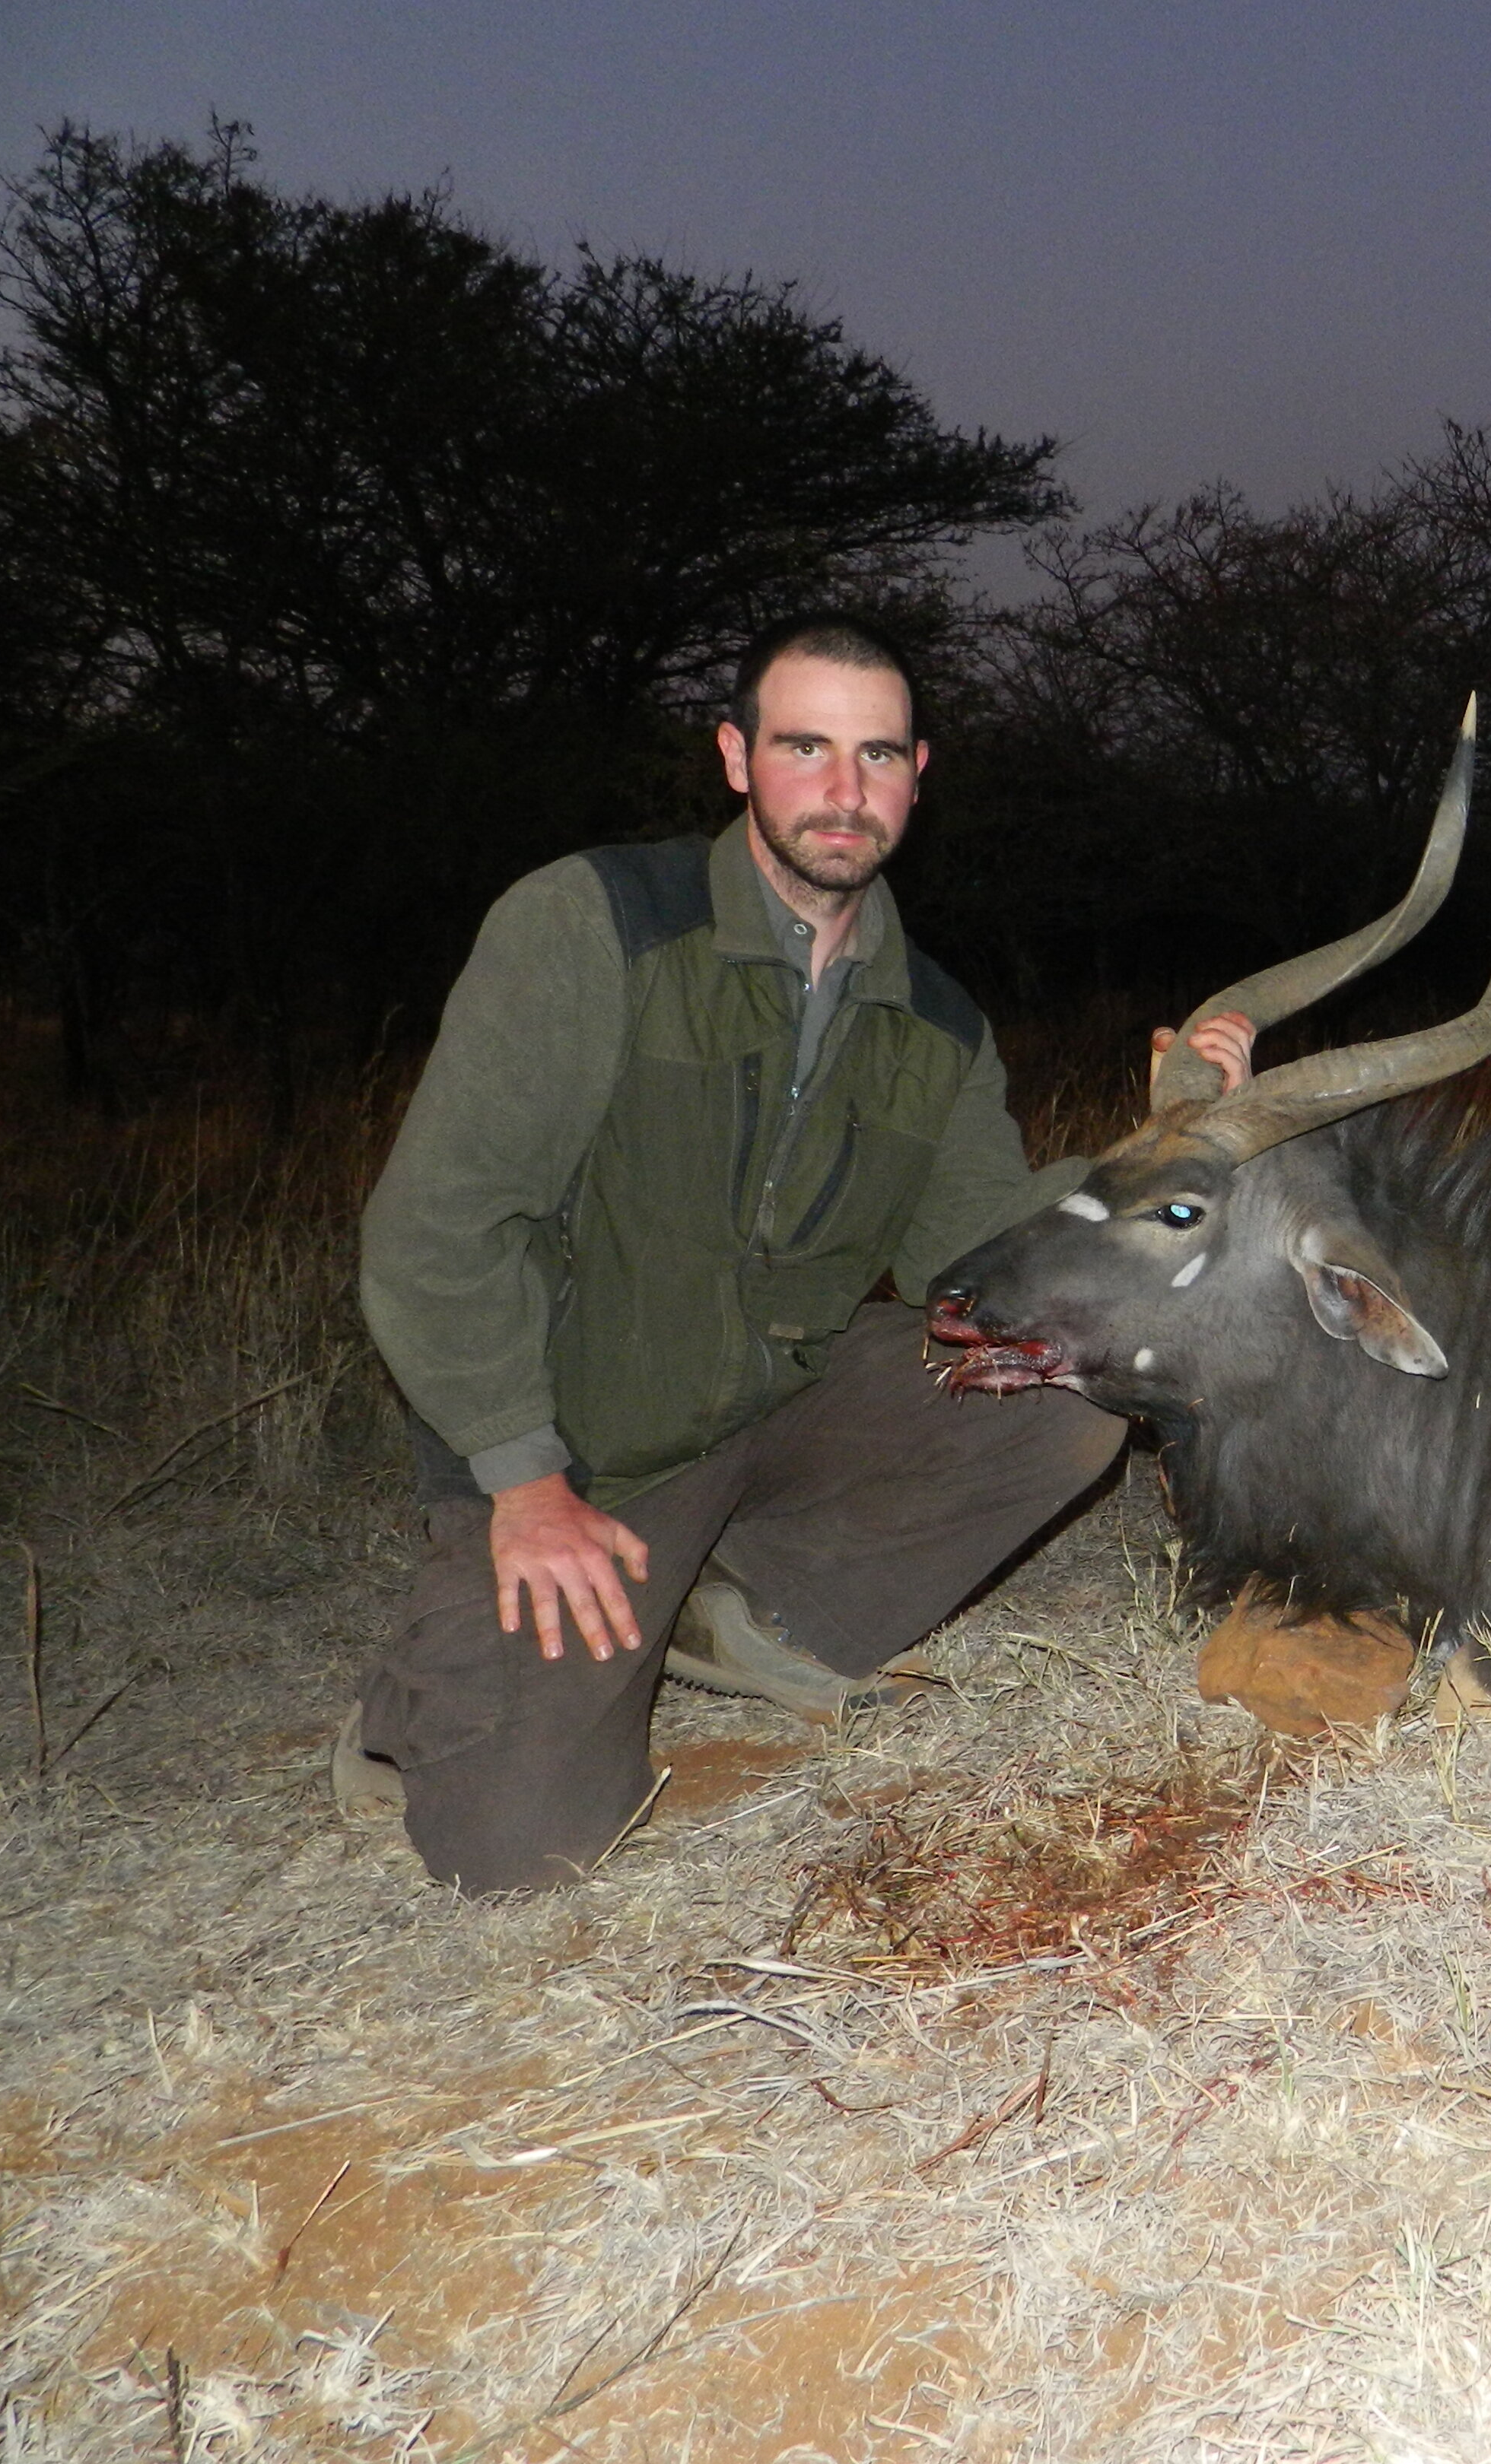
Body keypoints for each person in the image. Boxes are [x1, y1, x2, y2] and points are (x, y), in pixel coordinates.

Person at [336, 612, 1249, 1894]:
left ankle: (743, 1611)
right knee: (519, 1851)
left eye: (877, 757)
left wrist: (1161, 1143)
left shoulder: (934, 1018)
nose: (842, 789)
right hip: (581, 1448)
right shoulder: (590, 924)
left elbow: (975, 1253)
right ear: (735, 757)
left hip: (775, 1406)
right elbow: (434, 1229)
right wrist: (524, 1485)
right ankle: (421, 1700)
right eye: (805, 747)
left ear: (917, 777)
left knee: (1061, 1410)